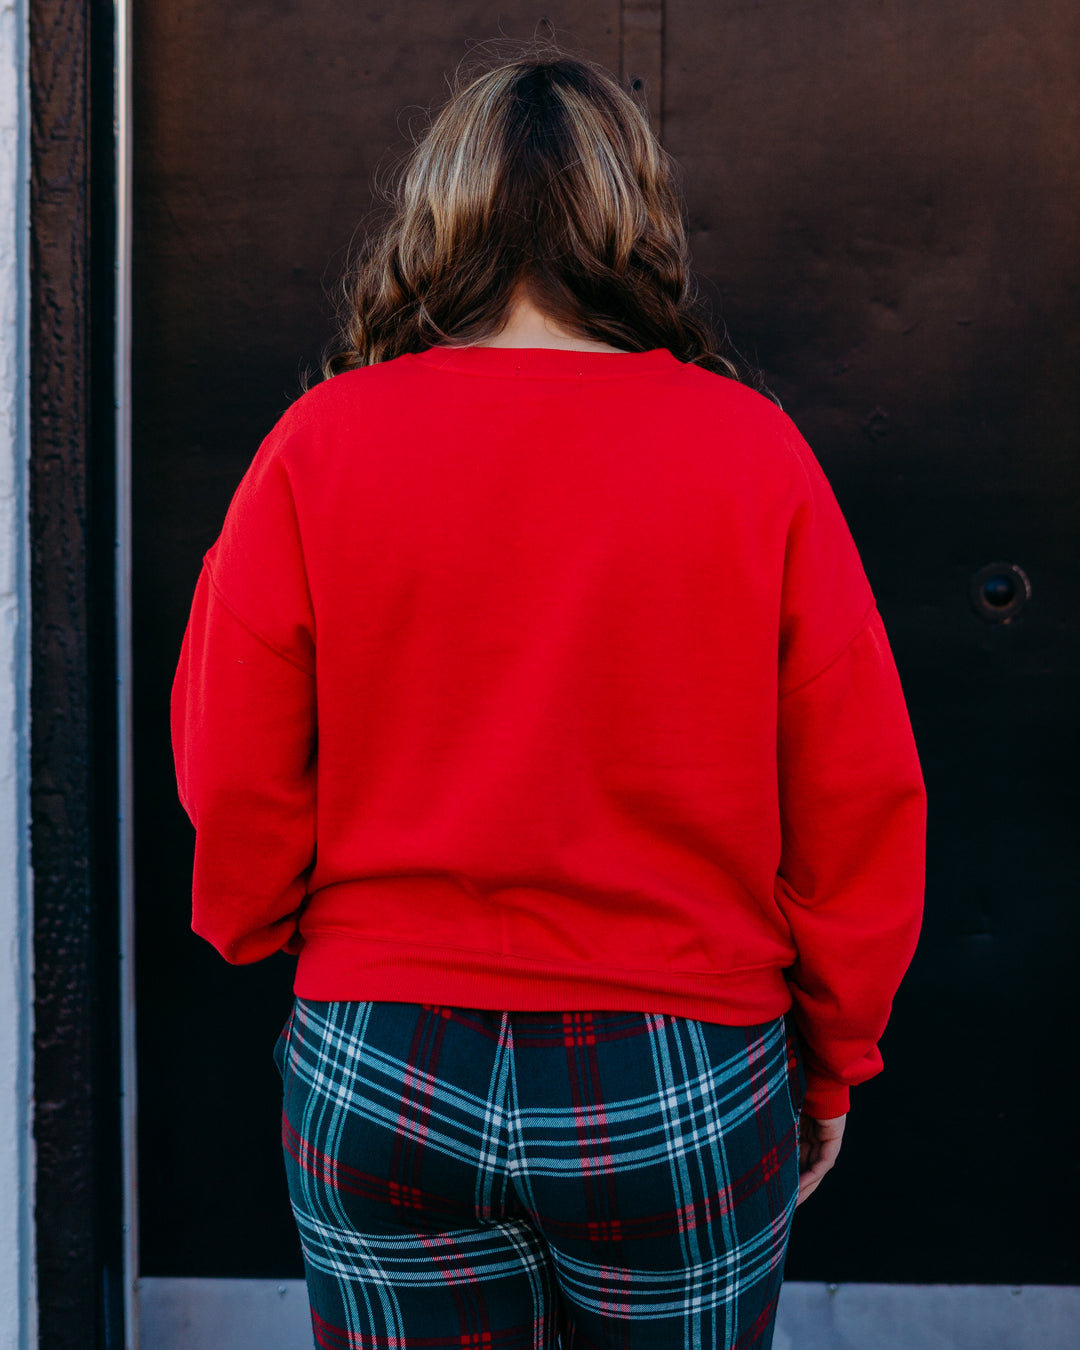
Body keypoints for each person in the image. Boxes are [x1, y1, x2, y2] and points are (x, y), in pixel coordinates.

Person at [170, 48, 926, 1350]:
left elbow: (231, 763)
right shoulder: (753, 451)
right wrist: (834, 1051)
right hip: (679, 1061)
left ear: (440, 215)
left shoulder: (319, 443)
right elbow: (856, 789)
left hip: (386, 1052)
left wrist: (262, 928)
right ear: (629, 219)